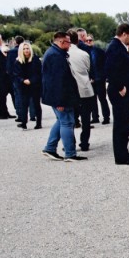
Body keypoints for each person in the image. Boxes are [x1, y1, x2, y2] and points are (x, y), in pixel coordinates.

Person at [41, 31, 85, 162]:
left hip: (57, 96)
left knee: (61, 121)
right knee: (67, 122)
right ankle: (70, 154)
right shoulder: (56, 56)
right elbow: (57, 81)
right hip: (60, 97)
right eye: (68, 42)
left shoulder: (54, 53)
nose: (70, 45)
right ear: (61, 42)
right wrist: (60, 101)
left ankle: (50, 148)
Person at [104, 23, 129, 165]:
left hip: (123, 90)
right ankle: (120, 157)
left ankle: (124, 151)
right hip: (119, 91)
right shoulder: (114, 47)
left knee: (125, 123)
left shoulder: (120, 47)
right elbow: (110, 69)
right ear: (124, 33)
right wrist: (120, 87)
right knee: (120, 125)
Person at [67, 30, 95, 151]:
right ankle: (84, 143)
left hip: (71, 90)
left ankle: (71, 143)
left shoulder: (64, 54)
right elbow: (89, 69)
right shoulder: (84, 54)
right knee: (86, 119)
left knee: (70, 119)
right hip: (85, 88)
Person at [11, 42, 42, 129]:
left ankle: (38, 123)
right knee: (24, 104)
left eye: (27, 48)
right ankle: (24, 122)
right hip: (23, 85)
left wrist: (31, 80)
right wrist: (23, 80)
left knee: (36, 104)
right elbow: (16, 74)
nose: (26, 50)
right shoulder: (18, 61)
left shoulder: (35, 60)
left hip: (34, 85)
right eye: (24, 49)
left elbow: (38, 73)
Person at [86, 34, 109, 125]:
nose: (88, 42)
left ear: (93, 41)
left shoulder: (99, 51)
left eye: (90, 40)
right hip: (90, 79)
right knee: (92, 99)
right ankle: (95, 117)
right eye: (87, 40)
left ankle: (106, 117)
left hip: (99, 78)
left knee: (102, 98)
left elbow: (105, 63)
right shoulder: (84, 52)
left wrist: (104, 75)